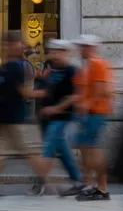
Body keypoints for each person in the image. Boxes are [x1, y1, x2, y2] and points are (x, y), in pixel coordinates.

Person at [0, 31, 51, 196]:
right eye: (19, 43)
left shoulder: (6, 67)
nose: (22, 46)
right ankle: (46, 185)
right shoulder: (15, 67)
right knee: (32, 153)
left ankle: (45, 185)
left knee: (3, 153)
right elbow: (25, 92)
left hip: (6, 117)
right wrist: (46, 93)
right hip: (18, 118)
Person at [36, 39, 82, 196]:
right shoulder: (50, 68)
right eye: (52, 51)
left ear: (66, 52)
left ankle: (40, 183)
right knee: (63, 151)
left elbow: (76, 95)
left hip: (62, 116)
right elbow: (46, 89)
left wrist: (56, 108)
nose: (54, 54)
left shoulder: (72, 71)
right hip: (47, 116)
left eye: (58, 51)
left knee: (48, 147)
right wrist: (40, 79)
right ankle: (78, 180)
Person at [73, 33, 114, 201]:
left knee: (93, 149)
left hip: (96, 112)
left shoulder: (97, 64)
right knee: (87, 148)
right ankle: (90, 183)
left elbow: (101, 90)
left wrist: (86, 105)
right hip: (90, 113)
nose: (80, 50)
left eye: (82, 47)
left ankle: (102, 188)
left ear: (89, 48)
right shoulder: (89, 65)